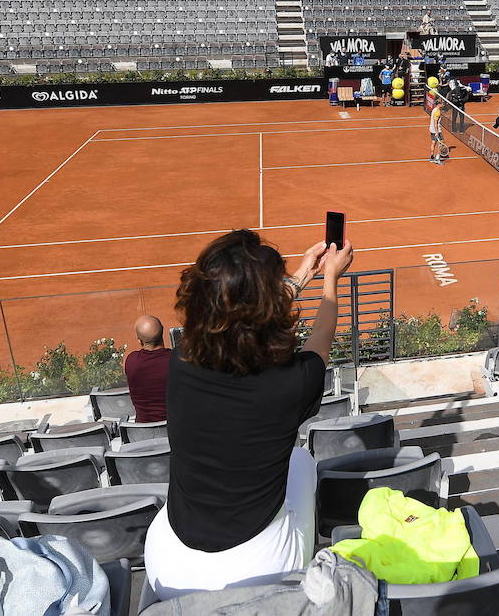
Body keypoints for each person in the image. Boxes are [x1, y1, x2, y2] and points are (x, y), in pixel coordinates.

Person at [142, 231, 352, 599]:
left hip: (168, 563)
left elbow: (233, 313)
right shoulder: (292, 383)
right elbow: (322, 336)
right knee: (302, 459)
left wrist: (302, 275)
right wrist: (329, 279)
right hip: (260, 573)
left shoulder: (182, 358)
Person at [124, 315, 172, 423]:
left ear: (139, 341)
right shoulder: (176, 360)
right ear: (162, 332)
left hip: (143, 434)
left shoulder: (131, 361)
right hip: (175, 431)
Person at [428, 99, 445, 164]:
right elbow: (435, 122)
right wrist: (437, 132)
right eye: (442, 103)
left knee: (433, 142)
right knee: (441, 142)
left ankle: (432, 157)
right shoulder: (437, 111)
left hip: (432, 129)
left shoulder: (434, 109)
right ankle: (437, 159)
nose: (443, 104)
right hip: (436, 130)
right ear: (439, 104)